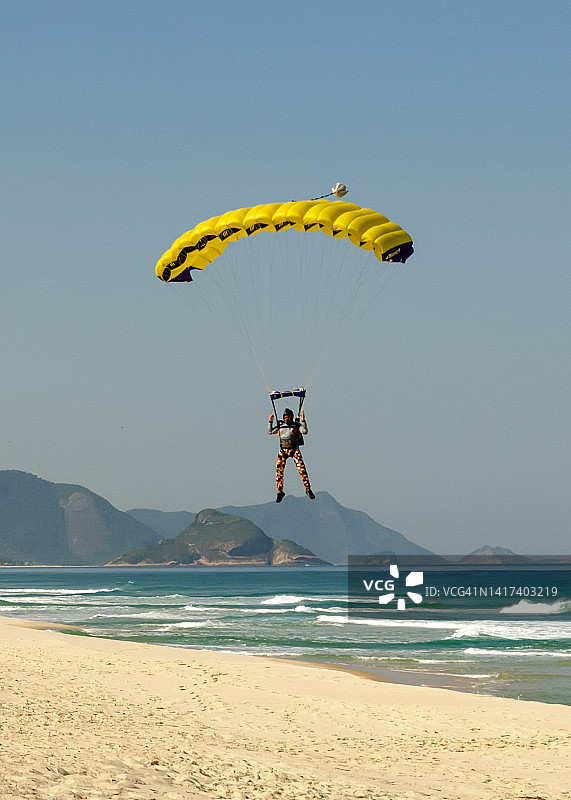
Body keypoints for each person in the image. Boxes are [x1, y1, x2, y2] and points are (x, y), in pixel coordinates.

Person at [268, 408, 315, 502]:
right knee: (279, 472)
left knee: (302, 470)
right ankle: (280, 492)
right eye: (285, 417)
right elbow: (270, 432)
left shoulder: (296, 425)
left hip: (294, 449)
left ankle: (308, 489)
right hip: (283, 450)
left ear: (291, 417)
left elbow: (305, 431)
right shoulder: (281, 426)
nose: (286, 418)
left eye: (288, 417)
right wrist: (270, 421)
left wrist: (303, 420)